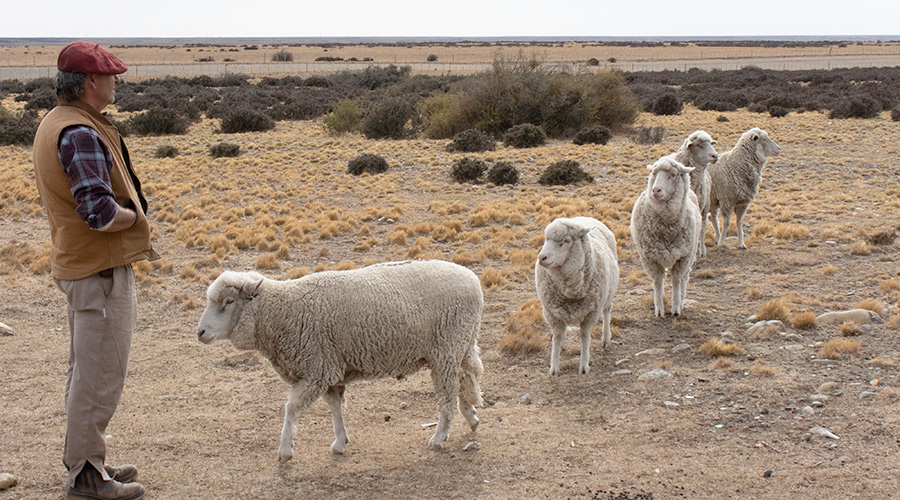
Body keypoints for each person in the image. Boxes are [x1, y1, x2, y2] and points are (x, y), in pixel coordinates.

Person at [32, 41, 158, 500]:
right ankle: (87, 476)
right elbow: (99, 212)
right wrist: (135, 218)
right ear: (89, 83)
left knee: (87, 372)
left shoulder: (60, 121)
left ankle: (90, 462)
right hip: (98, 271)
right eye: (109, 75)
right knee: (98, 376)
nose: (115, 81)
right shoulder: (81, 132)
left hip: (84, 267)